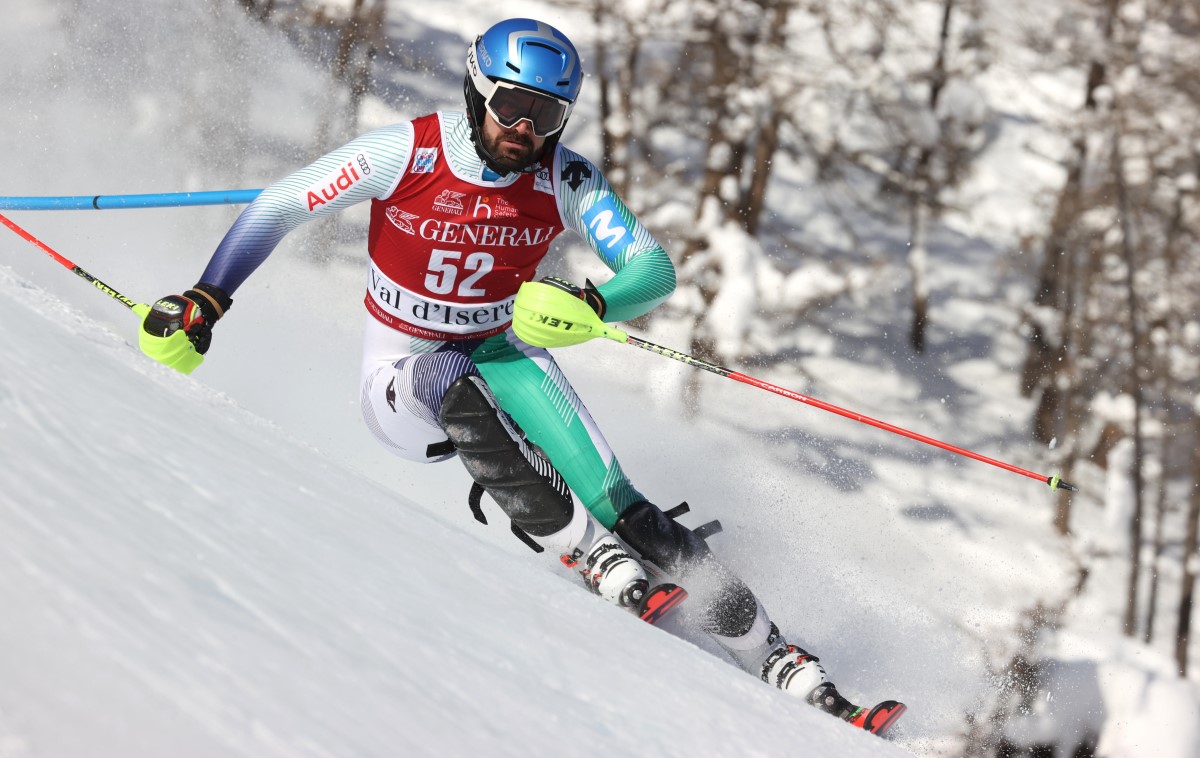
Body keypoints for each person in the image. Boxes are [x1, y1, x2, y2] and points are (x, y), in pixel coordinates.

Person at [138, 17, 903, 735]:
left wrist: (594, 299)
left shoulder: (565, 177)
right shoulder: (404, 152)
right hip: (403, 372)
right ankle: (585, 550)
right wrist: (210, 296)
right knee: (449, 377)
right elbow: (277, 205)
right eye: (512, 106)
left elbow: (653, 267)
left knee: (623, 501)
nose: (526, 130)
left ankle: (780, 657)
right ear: (477, 92)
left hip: (503, 351)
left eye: (548, 113)